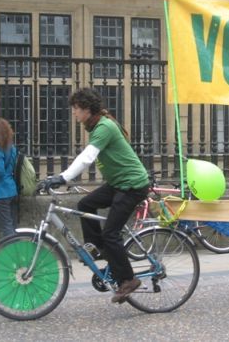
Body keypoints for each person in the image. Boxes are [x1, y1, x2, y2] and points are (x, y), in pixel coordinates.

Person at [44, 88, 149, 304]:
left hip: (132, 185)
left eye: (75, 109)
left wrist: (62, 178)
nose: (73, 113)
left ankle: (128, 279)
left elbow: (87, 158)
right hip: (118, 183)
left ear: (86, 109)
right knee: (85, 204)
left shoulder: (104, 127)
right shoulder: (96, 126)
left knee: (111, 233)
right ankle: (99, 249)